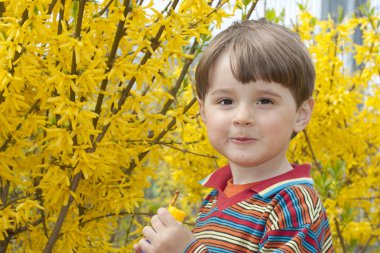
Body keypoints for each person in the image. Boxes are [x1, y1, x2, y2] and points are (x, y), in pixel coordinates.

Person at [134, 18, 334, 253]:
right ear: (203, 111)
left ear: (301, 114)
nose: (242, 117)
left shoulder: (294, 204)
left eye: (265, 101)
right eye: (226, 101)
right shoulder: (214, 199)